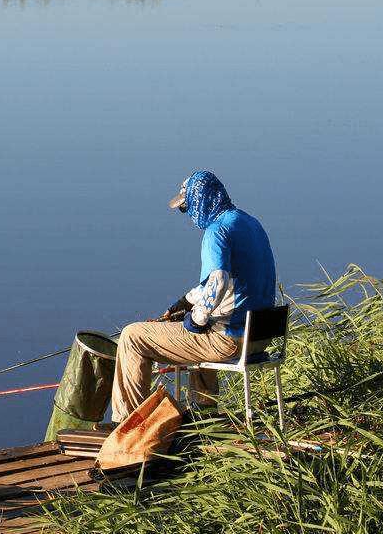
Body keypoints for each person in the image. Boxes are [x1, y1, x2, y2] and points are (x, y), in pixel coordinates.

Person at [110, 171, 276, 422]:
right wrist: (186, 302)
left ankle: (127, 424)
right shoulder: (250, 223)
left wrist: (196, 318)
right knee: (204, 327)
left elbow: (218, 281)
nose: (187, 214)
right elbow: (230, 280)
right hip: (258, 337)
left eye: (187, 207)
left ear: (201, 200)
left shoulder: (216, 232)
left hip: (230, 341)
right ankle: (206, 416)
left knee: (132, 336)